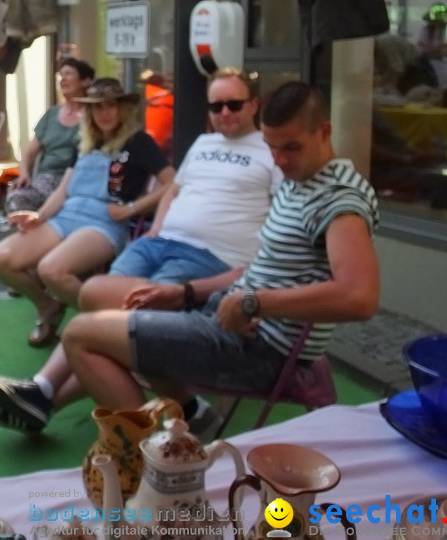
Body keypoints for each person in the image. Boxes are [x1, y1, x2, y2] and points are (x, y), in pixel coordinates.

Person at [60, 82, 379, 439]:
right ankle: (190, 421)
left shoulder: (337, 199)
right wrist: (184, 293)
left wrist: (252, 302)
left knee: (79, 334)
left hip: (258, 350)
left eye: (292, 147)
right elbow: (255, 270)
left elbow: (359, 298)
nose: (280, 160)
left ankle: (161, 463)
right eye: (272, 148)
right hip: (227, 317)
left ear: (324, 132)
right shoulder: (300, 179)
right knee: (121, 305)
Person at [0, 67, 282, 430]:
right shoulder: (203, 144)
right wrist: (154, 228)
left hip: (207, 258)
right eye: (217, 107)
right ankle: (49, 394)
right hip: (158, 242)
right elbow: (174, 189)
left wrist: (254, 277)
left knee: (116, 316)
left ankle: (44, 392)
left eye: (234, 104)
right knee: (92, 293)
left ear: (254, 105)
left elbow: (278, 222)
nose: (225, 113)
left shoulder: (272, 153)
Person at [0, 77, 174, 347]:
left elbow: (172, 182)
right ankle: (48, 307)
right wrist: (39, 216)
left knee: (51, 269)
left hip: (104, 223)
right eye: (97, 107)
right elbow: (63, 190)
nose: (104, 113)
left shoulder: (138, 141)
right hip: (67, 214)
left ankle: (106, 327)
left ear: (122, 108)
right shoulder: (84, 142)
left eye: (110, 106)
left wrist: (133, 208)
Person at [4, 58, 95, 214]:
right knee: (17, 197)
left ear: (85, 81)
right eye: (60, 75)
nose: (63, 79)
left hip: (75, 180)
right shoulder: (51, 114)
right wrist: (24, 174)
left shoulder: (93, 116)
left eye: (69, 74)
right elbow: (29, 153)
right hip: (46, 179)